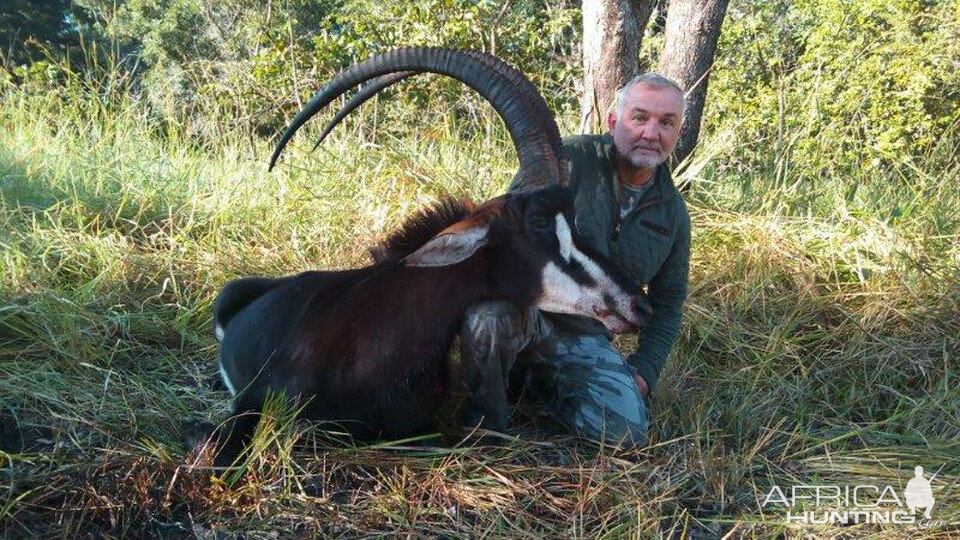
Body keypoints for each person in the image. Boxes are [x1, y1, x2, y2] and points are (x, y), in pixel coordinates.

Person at [459, 73, 692, 447]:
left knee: (625, 433)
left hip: (585, 339)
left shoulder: (673, 214)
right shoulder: (566, 160)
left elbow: (669, 301)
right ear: (614, 123)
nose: (652, 133)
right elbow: (509, 234)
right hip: (529, 311)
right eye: (640, 118)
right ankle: (487, 425)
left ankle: (540, 386)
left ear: (678, 132)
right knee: (487, 317)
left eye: (666, 123)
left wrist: (644, 372)